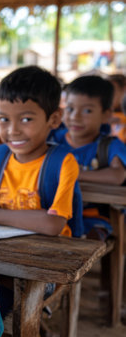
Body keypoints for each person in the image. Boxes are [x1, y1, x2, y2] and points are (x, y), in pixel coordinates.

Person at [0, 65, 79, 237]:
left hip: (51, 255)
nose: (13, 130)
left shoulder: (62, 163)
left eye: (26, 119)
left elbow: (53, 224)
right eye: (4, 119)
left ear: (54, 119)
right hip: (1, 250)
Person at [49, 75, 126, 239]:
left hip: (93, 217)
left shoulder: (108, 146)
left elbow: (117, 175)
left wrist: (71, 173)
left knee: (90, 240)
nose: (75, 117)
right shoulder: (52, 140)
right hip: (52, 212)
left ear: (106, 115)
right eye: (70, 109)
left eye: (87, 111)